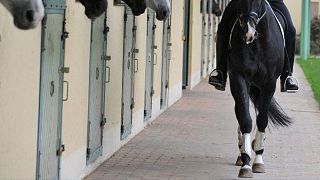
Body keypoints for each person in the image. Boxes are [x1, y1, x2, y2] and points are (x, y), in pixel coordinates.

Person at [208, 0, 299, 92]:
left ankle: (287, 75)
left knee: (291, 30)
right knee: (222, 28)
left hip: (273, 1)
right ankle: (221, 72)